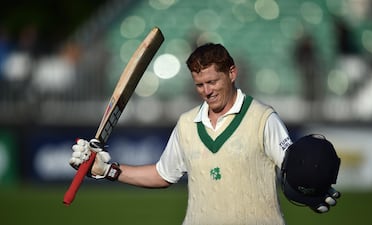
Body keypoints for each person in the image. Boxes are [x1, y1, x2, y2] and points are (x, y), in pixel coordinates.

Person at [70, 43, 339, 225]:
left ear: (232, 73)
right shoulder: (187, 125)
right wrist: (106, 170)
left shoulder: (262, 118)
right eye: (199, 84)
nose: (206, 91)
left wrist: (312, 192)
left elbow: (294, 167)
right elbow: (163, 174)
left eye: (212, 81)